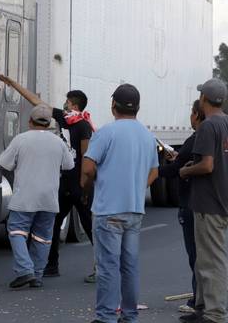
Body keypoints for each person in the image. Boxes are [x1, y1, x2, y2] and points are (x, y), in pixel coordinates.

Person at [0, 76, 96, 280]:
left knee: (88, 226)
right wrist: (14, 85)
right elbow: (38, 103)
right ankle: (51, 266)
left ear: (74, 105)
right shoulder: (67, 119)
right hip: (66, 182)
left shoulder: (82, 125)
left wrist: (84, 187)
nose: (64, 105)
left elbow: (86, 157)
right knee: (53, 224)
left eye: (67, 102)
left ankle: (100, 266)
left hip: (77, 183)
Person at [81, 84, 158, 323]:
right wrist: (134, 186)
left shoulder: (106, 132)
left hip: (108, 211)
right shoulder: (147, 135)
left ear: (113, 105)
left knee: (107, 267)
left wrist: (90, 184)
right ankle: (129, 315)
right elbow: (154, 172)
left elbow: (88, 167)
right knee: (130, 267)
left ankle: (105, 317)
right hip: (134, 211)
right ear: (137, 107)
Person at [178, 78, 228, 323]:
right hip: (223, 200)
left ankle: (215, 314)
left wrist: (185, 170)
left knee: (212, 261)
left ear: (204, 99)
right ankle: (202, 308)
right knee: (204, 260)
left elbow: (206, 165)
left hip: (208, 203)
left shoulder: (207, 126)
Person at [0, 104, 75, 289]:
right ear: (49, 123)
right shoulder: (58, 142)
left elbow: (4, 163)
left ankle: (25, 270)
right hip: (49, 198)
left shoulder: (21, 139)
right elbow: (69, 165)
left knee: (17, 232)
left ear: (29, 122)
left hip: (24, 196)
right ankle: (37, 275)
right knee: (43, 237)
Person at [158, 100, 206, 314]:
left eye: (191, 113)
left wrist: (155, 171)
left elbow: (177, 169)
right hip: (204, 202)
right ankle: (203, 298)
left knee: (195, 254)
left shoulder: (195, 139)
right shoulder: (205, 138)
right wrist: (179, 159)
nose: (190, 117)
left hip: (189, 203)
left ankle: (199, 301)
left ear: (196, 114)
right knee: (203, 254)